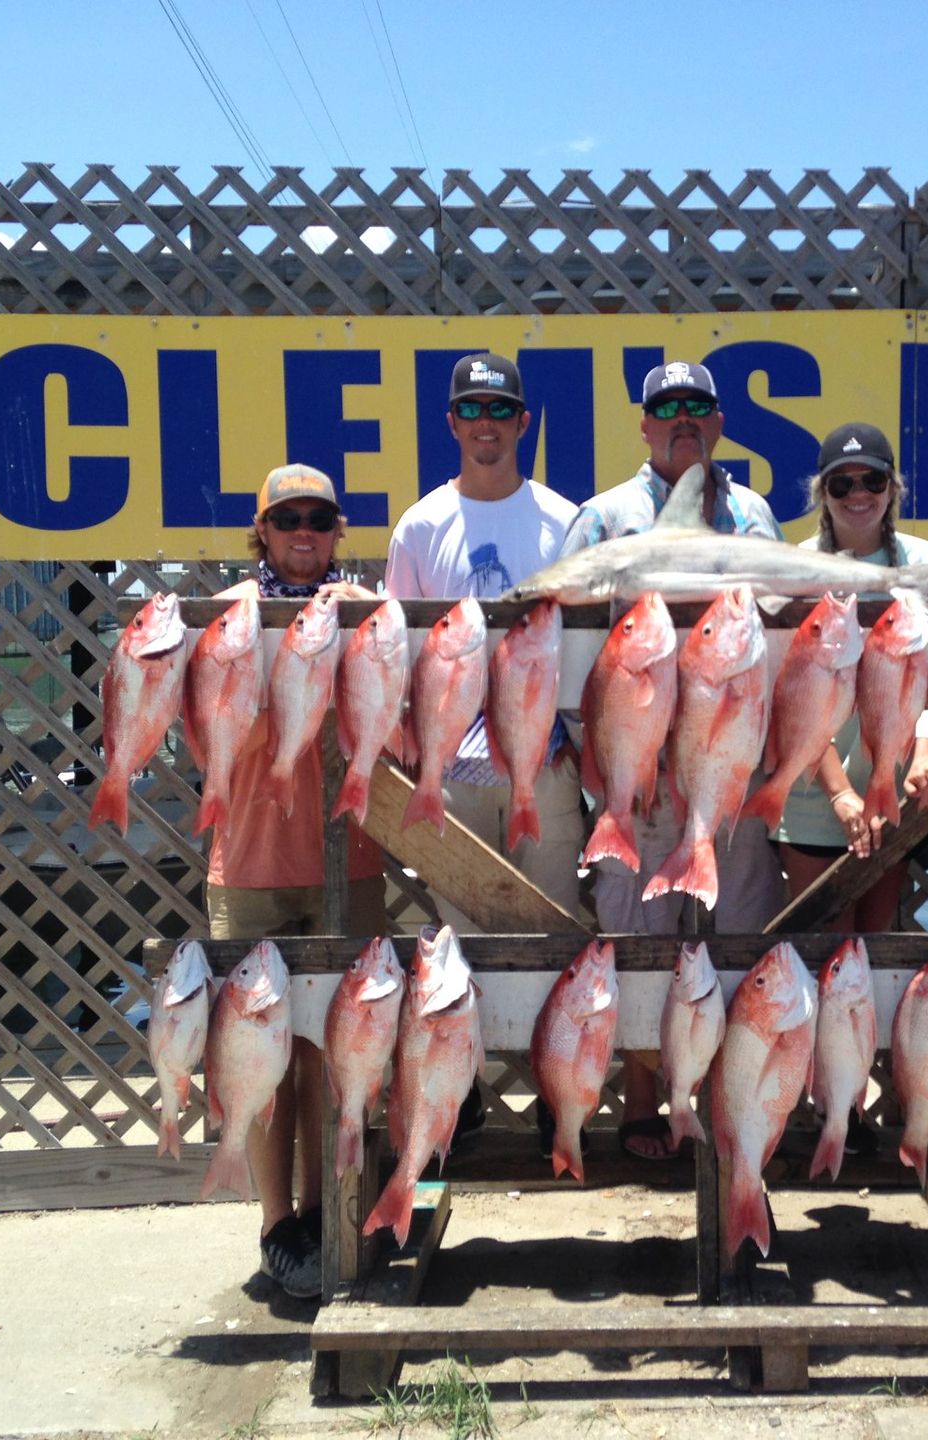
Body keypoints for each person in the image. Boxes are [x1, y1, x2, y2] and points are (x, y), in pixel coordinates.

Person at [560, 359, 785, 1158]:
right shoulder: (602, 517)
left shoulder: (752, 512)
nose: (683, 419)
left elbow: (779, 614)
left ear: (718, 423)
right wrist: (598, 756)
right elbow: (568, 635)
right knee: (638, 934)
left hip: (727, 761)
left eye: (698, 407)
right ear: (644, 424)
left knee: (737, 928)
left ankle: (726, 1103)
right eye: (667, 408)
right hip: (641, 763)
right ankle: (644, 1101)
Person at [205, 462, 384, 1300]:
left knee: (331, 1055)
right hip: (251, 864)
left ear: (336, 532)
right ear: (262, 534)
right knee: (260, 1059)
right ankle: (276, 1222)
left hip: (348, 862)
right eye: (287, 520)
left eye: (319, 518)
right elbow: (201, 731)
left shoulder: (365, 615)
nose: (304, 532)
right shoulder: (227, 620)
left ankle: (328, 1211)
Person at [384, 352, 586, 928]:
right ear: (452, 423)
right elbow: (397, 655)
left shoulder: (563, 520)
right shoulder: (419, 527)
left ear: (524, 423)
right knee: (460, 952)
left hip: (544, 769)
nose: (486, 421)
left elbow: (585, 650)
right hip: (448, 777)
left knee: (551, 939)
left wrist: (582, 742)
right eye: (471, 409)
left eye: (501, 409)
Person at [773, 422, 928, 932]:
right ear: (821, 494)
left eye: (871, 481)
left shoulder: (926, 563)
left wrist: (927, 752)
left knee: (875, 944)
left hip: (893, 793)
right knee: (824, 945)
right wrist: (839, 792)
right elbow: (793, 702)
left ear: (892, 488)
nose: (858, 495)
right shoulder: (797, 568)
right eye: (841, 483)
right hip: (812, 795)